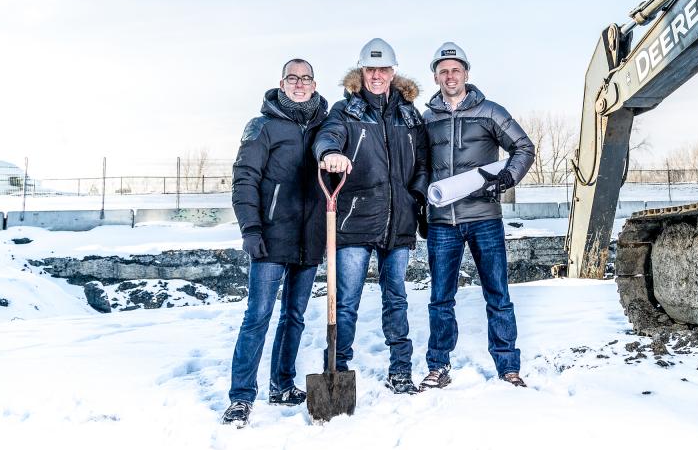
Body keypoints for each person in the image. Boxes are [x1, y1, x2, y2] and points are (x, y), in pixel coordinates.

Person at [314, 38, 428, 395]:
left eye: (383, 69)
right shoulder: (346, 111)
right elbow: (326, 137)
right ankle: (337, 369)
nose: (377, 75)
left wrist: (416, 196)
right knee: (346, 300)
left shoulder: (410, 114)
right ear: (360, 72)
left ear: (393, 72)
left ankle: (400, 369)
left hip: (399, 221)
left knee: (396, 297)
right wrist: (331, 152)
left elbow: (423, 162)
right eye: (370, 69)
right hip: (356, 220)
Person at [419, 42, 535, 390]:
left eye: (455, 69)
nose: (450, 75)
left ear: (466, 74)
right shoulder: (426, 119)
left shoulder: (491, 112)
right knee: (440, 298)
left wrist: (507, 177)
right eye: (443, 70)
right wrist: (421, 208)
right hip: (442, 222)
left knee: (497, 294)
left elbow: (524, 147)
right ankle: (438, 365)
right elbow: (420, 166)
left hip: (484, 218)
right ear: (436, 77)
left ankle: (508, 366)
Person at [222, 58, 329, 428]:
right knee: (258, 317)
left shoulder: (325, 127)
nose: (299, 84)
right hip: (270, 236)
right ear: (281, 83)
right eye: (292, 78)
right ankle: (241, 396)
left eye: (306, 78)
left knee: (295, 317)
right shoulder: (262, 126)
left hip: (309, 237)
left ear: (314, 84)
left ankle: (282, 384)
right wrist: (250, 229)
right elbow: (244, 179)